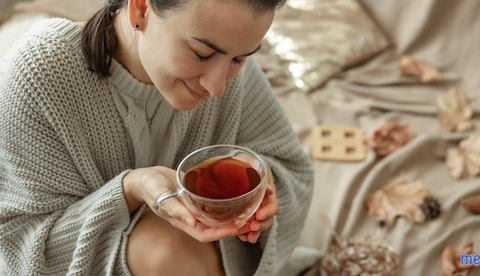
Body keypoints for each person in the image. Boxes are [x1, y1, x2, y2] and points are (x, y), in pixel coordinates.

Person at [0, 0, 313, 275]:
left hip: (199, 261)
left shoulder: (229, 60)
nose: (218, 86)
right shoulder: (39, 75)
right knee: (162, 251)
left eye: (239, 59)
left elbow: (292, 171)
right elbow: (18, 247)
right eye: (202, 54)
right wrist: (130, 190)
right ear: (140, 8)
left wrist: (256, 186)